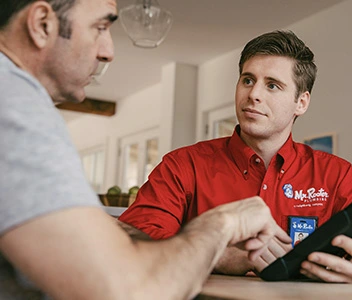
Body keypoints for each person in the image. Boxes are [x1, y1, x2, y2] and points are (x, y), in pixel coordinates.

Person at [0, 1, 289, 299]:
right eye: (99, 27)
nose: (108, 51)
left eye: (274, 86)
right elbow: (127, 290)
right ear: (42, 23)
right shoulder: (13, 103)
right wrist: (225, 223)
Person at [119, 30, 352, 283]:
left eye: (272, 85)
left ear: (300, 103)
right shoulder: (183, 165)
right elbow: (133, 238)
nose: (253, 94)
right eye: (248, 80)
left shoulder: (334, 174)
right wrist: (215, 252)